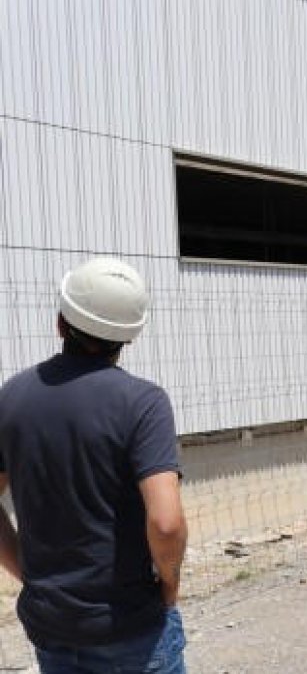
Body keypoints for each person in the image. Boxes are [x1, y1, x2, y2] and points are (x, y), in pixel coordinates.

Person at [0, 257, 188, 674]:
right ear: (129, 337)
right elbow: (167, 523)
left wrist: (26, 570)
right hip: (131, 630)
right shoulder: (142, 404)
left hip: (53, 627)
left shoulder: (11, 398)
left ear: (61, 322)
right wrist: (170, 585)